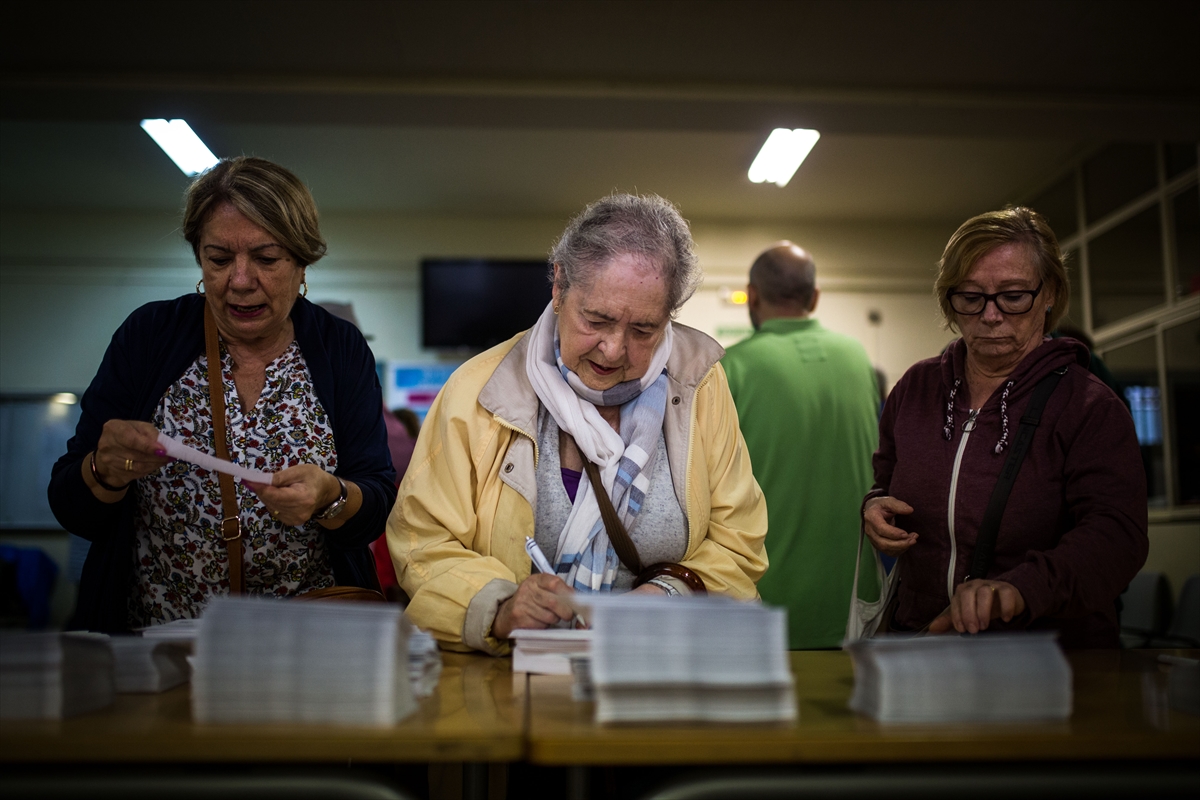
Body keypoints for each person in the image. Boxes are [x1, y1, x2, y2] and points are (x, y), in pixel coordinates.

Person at [389, 194, 768, 654]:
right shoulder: (479, 390)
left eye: (643, 330)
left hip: (658, 661)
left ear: (669, 318)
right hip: (514, 675)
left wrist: (670, 593)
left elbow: (740, 541)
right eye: (597, 320)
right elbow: (422, 542)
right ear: (559, 286)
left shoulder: (698, 384)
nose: (613, 349)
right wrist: (499, 606)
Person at [48, 156, 396, 632]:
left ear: (301, 262)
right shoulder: (150, 336)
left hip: (306, 647)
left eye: (267, 258)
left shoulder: (339, 347)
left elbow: (376, 505)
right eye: (218, 259)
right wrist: (103, 470)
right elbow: (71, 506)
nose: (239, 279)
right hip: (161, 646)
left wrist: (329, 497)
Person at [862, 207, 1147, 647]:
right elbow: (885, 477)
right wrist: (875, 506)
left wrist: (1021, 588)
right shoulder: (917, 388)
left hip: (1046, 656)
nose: (990, 316)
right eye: (971, 297)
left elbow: (1116, 536)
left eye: (1013, 296)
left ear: (1049, 293)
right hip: (924, 643)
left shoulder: (1088, 406)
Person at [722, 242, 880, 649]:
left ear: (752, 296)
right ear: (814, 298)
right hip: (856, 605)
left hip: (765, 603)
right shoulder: (857, 357)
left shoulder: (729, 367)